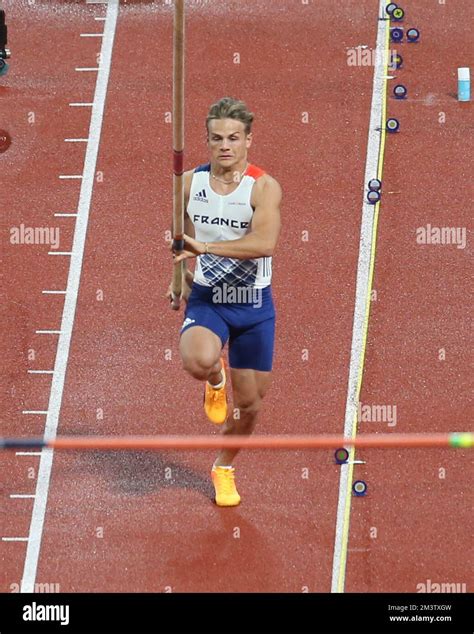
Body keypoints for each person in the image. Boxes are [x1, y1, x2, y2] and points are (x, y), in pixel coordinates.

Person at [167, 97, 282, 506]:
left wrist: (208, 250)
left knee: (249, 406)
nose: (225, 146)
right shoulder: (188, 184)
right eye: (217, 139)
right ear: (208, 141)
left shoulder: (263, 187)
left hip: (253, 306)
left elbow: (264, 243)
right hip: (209, 299)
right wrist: (179, 275)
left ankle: (224, 466)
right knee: (195, 360)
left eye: (234, 138)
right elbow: (178, 234)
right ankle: (214, 379)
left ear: (248, 140)